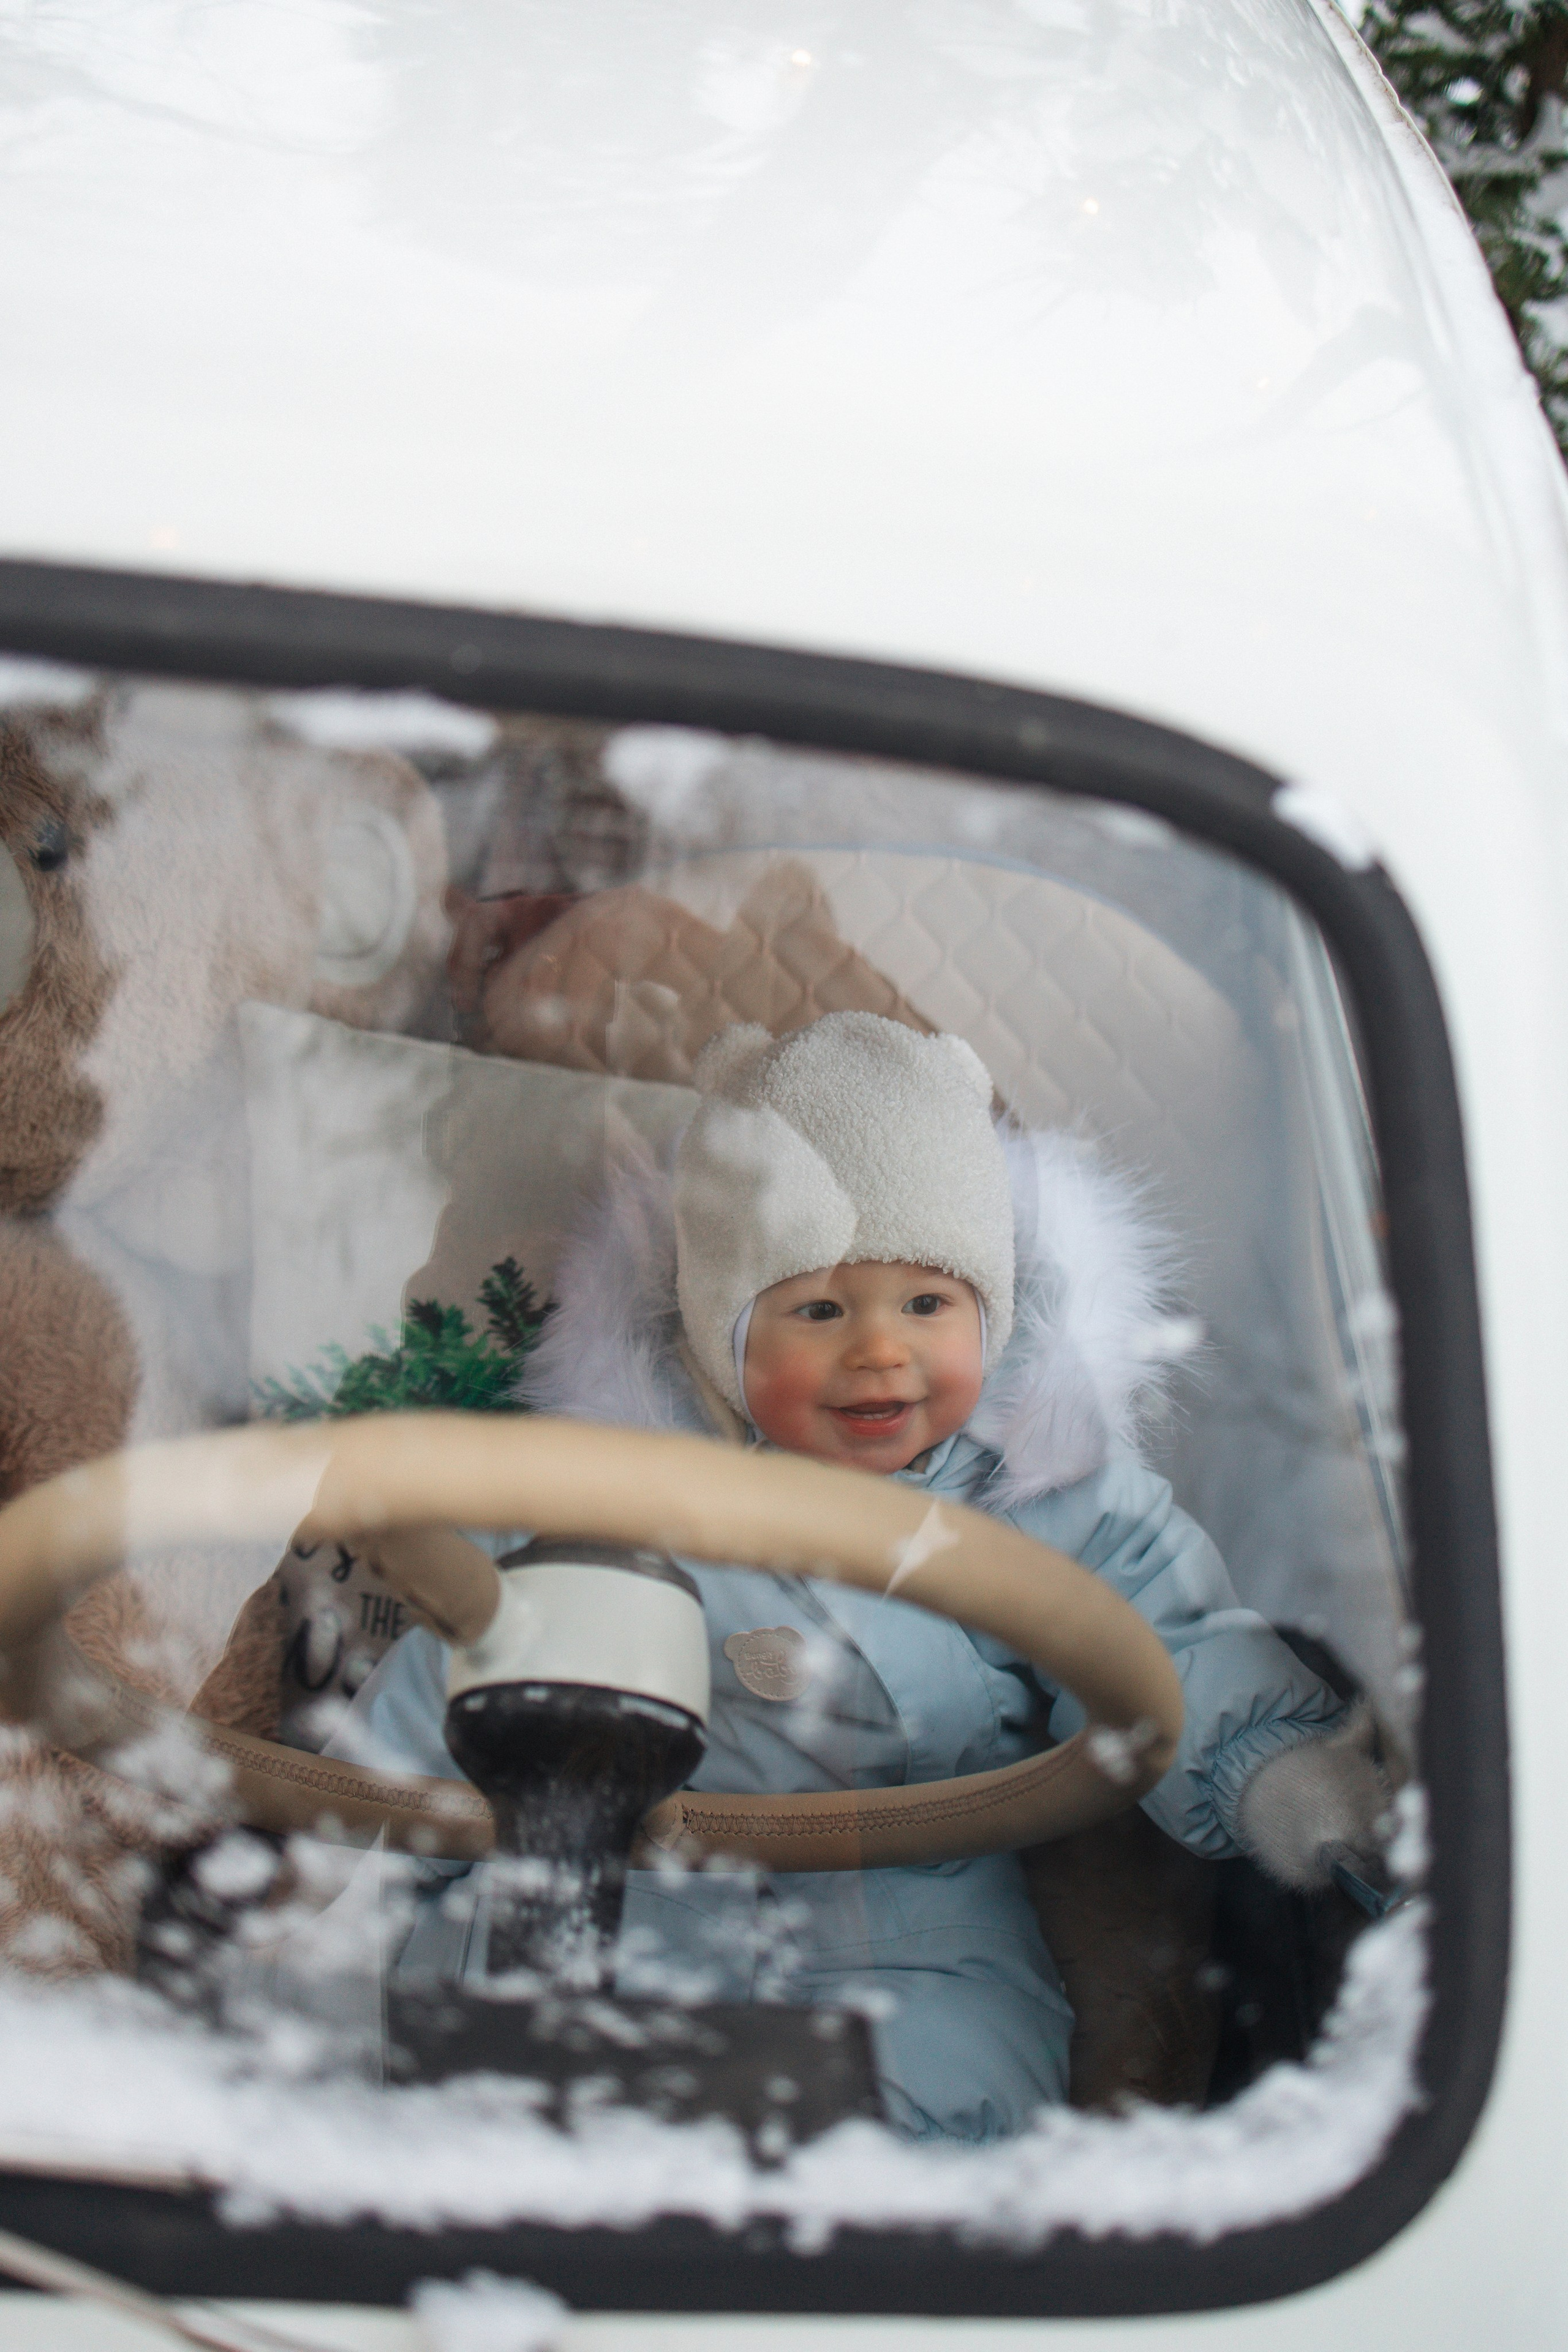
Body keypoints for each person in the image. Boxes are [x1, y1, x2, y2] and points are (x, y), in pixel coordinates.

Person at [327, 1012, 1389, 2142]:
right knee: (486, 2009)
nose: (880, 1351)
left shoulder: (1047, 1483)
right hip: (639, 1871)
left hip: (915, 1897)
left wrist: (1274, 1768)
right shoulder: (612, 1487)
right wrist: (351, 1848)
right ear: (717, 1332)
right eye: (821, 1310)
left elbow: (1171, 1640)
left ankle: (858, 2249)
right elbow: (476, 1648)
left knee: (955, 2079)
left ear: (996, 1309)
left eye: (928, 1305)